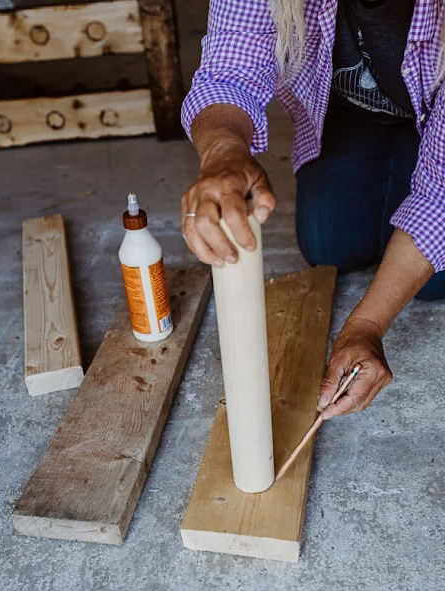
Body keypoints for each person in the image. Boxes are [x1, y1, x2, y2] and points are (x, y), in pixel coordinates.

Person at [179, 0, 445, 419]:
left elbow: (439, 199)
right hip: (353, 108)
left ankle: (414, 142)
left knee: (434, 282)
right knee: (329, 244)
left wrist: (367, 326)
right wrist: (224, 154)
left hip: (437, 110)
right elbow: (230, 67)